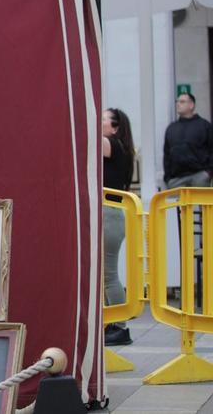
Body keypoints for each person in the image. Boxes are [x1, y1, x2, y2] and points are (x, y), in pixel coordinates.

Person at [102, 107, 135, 346]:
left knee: (109, 275)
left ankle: (120, 326)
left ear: (115, 127)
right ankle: (114, 323)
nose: (98, 121)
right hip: (113, 214)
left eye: (103, 119)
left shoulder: (111, 144)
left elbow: (88, 135)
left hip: (110, 214)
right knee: (107, 274)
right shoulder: (122, 147)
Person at [163, 92, 213, 189]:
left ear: (191, 105)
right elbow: (167, 154)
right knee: (177, 204)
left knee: (201, 203)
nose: (178, 104)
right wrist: (168, 178)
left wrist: (208, 173)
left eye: (182, 102)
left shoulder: (204, 126)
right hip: (176, 180)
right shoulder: (171, 128)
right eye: (177, 102)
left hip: (199, 176)